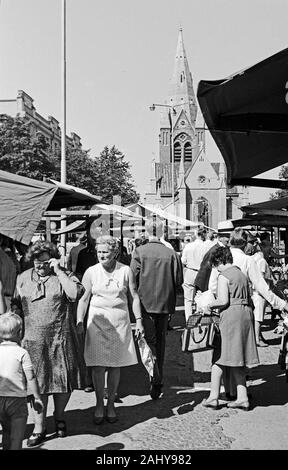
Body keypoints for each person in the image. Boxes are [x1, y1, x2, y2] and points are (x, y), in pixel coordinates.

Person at [11, 240, 86, 447]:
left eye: (44, 262)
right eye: (36, 261)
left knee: (62, 382)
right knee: (36, 385)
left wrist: (59, 271)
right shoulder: (23, 278)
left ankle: (60, 417)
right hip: (32, 340)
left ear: (52, 259)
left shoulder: (64, 276)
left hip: (61, 337)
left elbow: (74, 294)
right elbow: (16, 306)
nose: (40, 265)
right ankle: (39, 427)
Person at [76, 235, 144, 424]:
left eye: (105, 252)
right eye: (99, 252)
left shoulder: (125, 271)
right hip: (97, 322)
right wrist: (79, 321)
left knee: (115, 365)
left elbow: (134, 296)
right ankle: (99, 404)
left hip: (120, 322)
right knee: (98, 366)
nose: (101, 255)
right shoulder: (91, 272)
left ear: (115, 252)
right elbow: (83, 299)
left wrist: (138, 321)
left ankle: (111, 404)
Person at [130, 217, 183, 400]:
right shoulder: (172, 254)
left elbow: (132, 280)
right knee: (160, 342)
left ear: (146, 231)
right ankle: (157, 378)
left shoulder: (139, 252)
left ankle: (155, 376)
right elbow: (179, 281)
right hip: (165, 303)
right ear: (163, 232)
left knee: (148, 341)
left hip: (145, 303)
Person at [202, 246, 259, 411]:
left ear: (219, 261)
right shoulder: (241, 274)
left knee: (220, 356)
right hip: (246, 315)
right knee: (237, 358)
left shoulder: (224, 276)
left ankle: (213, 397)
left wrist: (207, 305)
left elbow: (222, 300)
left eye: (215, 264)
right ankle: (242, 397)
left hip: (231, 316)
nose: (216, 268)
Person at [0, 312, 43, 450]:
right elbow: (31, 377)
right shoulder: (22, 353)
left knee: (6, 433)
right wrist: (36, 397)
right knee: (16, 438)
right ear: (20, 332)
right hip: (17, 401)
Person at [181, 227, 207, 321]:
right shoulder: (205, 247)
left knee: (188, 299)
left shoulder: (188, 246)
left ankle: (188, 320)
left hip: (190, 271)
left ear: (196, 235)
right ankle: (199, 319)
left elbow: (183, 260)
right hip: (202, 272)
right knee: (200, 297)